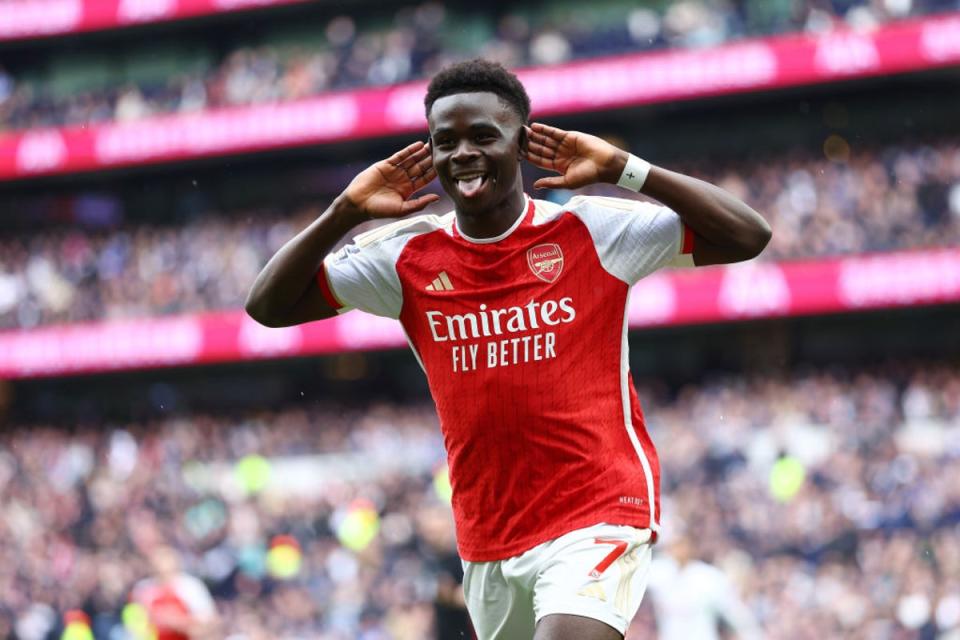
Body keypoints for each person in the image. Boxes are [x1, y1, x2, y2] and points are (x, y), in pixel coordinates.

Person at [246, 58, 771, 640]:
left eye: (482, 136)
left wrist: (625, 169)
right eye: (444, 142)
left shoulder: (590, 231)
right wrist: (343, 211)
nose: (462, 153)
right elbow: (269, 306)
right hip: (489, 535)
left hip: (597, 510)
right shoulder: (403, 257)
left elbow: (746, 235)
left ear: (521, 142)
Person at [647, 534, 762, 640]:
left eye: (683, 545)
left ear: (692, 548)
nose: (679, 551)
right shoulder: (660, 573)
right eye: (676, 546)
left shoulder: (709, 578)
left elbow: (737, 614)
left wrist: (753, 635)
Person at [129, 545, 219, 640]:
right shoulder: (143, 589)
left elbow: (209, 621)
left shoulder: (190, 586)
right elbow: (137, 623)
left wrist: (177, 622)